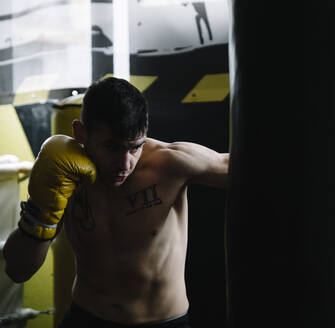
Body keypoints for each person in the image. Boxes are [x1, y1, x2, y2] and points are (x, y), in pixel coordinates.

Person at [2, 77, 229, 328]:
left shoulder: (172, 163)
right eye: (112, 147)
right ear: (81, 133)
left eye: (135, 148)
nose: (125, 164)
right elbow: (18, 271)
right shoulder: (62, 173)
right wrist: (41, 215)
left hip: (163, 322)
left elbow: (252, 171)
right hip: (86, 319)